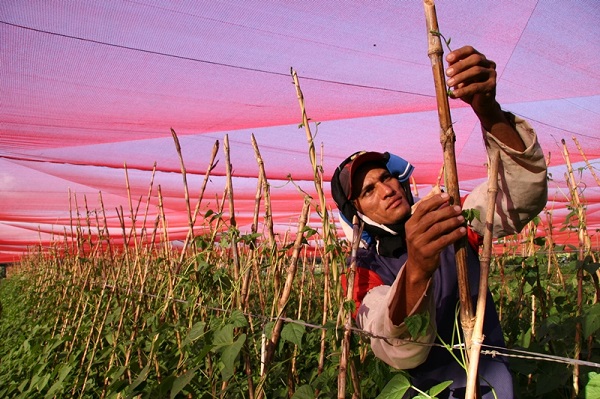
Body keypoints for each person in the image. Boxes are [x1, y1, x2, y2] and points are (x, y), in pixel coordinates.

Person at [330, 46, 548, 398]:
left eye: (387, 178)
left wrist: (488, 112)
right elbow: (395, 346)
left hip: (491, 386)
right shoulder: (364, 271)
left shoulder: (448, 218)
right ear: (356, 214)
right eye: (369, 190)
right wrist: (417, 268)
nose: (386, 189)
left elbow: (517, 195)